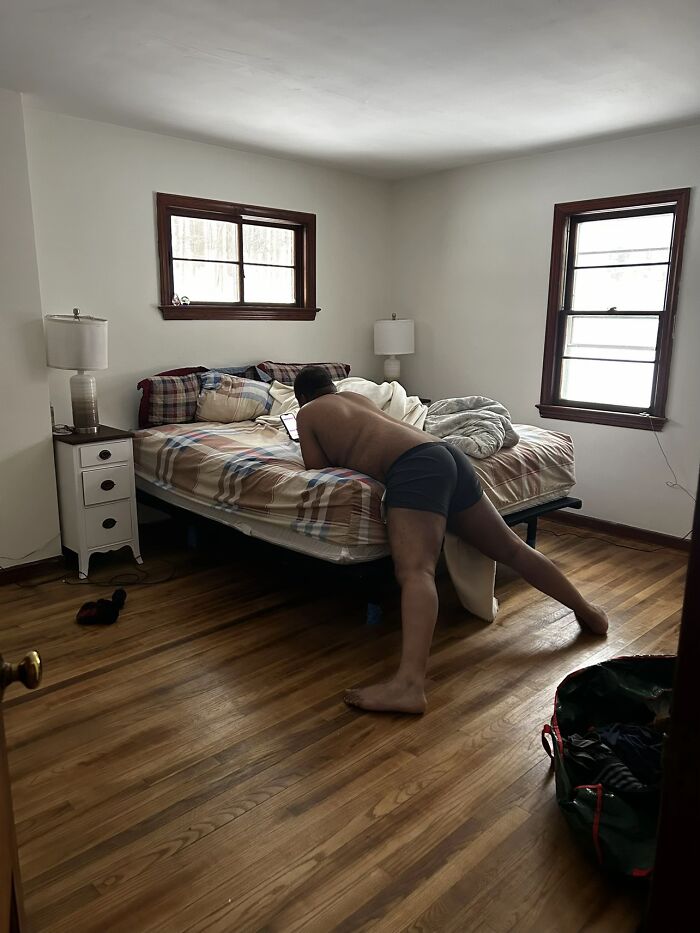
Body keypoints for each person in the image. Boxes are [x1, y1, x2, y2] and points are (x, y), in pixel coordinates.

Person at [293, 366, 608, 715]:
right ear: (332, 387)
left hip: (412, 467)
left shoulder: (307, 412)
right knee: (512, 549)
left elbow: (314, 465)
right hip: (444, 454)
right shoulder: (354, 397)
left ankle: (409, 686)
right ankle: (589, 612)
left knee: (416, 572)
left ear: (302, 397)